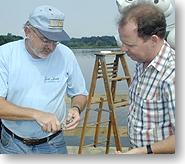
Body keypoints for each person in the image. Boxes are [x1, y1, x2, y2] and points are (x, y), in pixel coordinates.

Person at [0, 5, 88, 154]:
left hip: (53, 143)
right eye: (46, 40)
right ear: (28, 31)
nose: (51, 47)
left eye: (56, 41)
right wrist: (36, 114)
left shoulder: (66, 55)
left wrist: (76, 108)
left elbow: (80, 93)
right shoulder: (5, 55)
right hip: (13, 144)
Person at [116, 3, 175, 154]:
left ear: (153, 40)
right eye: (122, 42)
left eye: (129, 44)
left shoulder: (172, 74)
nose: (123, 49)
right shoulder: (142, 62)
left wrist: (144, 151)